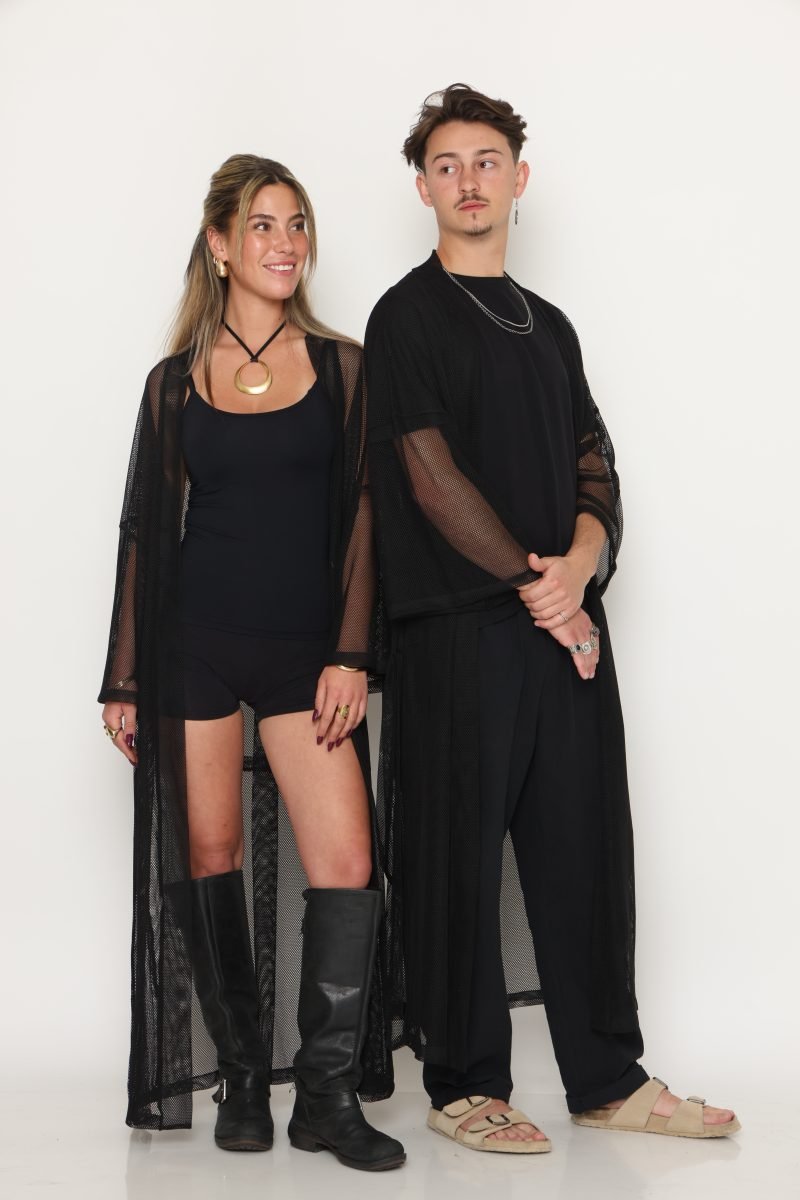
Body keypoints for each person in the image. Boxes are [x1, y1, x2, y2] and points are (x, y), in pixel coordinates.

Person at [365, 84, 738, 1153]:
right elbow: (428, 476)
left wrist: (578, 566)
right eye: (446, 165)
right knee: (456, 857)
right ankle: (464, 1083)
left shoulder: (552, 325)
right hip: (456, 631)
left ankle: (605, 1078)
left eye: (486, 161)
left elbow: (593, 462)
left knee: (582, 848)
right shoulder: (405, 316)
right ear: (423, 187)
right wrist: (543, 592)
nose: (468, 181)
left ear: (518, 178)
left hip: (562, 624)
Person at [99, 154, 404, 1172]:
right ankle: (239, 1074)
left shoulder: (345, 366)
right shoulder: (173, 383)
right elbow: (145, 533)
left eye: (296, 223)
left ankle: (323, 1097)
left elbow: (368, 516)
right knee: (210, 855)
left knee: (346, 865)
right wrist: (125, 677)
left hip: (303, 654)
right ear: (221, 244)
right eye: (263, 225)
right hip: (194, 647)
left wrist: (351, 654)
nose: (284, 243)